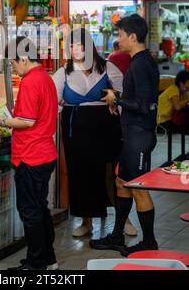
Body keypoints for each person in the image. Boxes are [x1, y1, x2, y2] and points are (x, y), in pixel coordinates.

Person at [90, 14, 160, 256]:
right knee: (122, 181)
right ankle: (117, 236)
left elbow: (144, 105)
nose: (118, 40)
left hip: (140, 135)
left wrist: (116, 98)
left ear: (132, 36)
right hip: (132, 134)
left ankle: (149, 242)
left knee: (138, 187)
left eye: (120, 35)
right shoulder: (139, 61)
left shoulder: (141, 64)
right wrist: (118, 98)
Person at [0, 37, 58, 270]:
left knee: (30, 211)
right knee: (40, 208)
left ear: (23, 58)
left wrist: (4, 121)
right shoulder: (46, 78)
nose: (14, 68)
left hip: (31, 154)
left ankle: (36, 263)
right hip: (45, 153)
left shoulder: (31, 81)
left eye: (13, 64)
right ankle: (48, 259)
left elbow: (26, 121)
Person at [53, 28, 123, 238]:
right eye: (71, 46)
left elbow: (123, 95)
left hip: (105, 128)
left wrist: (115, 96)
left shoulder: (107, 67)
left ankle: (123, 218)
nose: (75, 50)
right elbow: (53, 103)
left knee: (110, 172)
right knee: (80, 173)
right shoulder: (63, 72)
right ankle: (86, 221)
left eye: (79, 45)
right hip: (75, 131)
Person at [108, 39, 137, 237]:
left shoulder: (112, 60)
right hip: (126, 122)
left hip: (116, 120)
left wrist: (115, 100)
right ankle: (125, 222)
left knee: (117, 176)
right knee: (124, 176)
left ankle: (123, 223)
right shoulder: (135, 60)